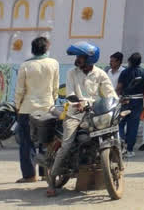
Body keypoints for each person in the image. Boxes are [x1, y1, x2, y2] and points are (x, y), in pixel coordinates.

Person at [48, 42, 116, 197]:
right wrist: (76, 102)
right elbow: (71, 92)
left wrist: (117, 103)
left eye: (81, 57)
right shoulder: (72, 72)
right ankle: (52, 179)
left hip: (94, 112)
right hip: (75, 112)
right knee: (67, 144)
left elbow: (110, 93)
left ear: (90, 59)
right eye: (78, 56)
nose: (78, 59)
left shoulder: (100, 74)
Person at [13, 37, 59, 183]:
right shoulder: (54, 63)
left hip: (27, 108)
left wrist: (17, 105)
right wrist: (53, 100)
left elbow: (20, 90)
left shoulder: (25, 65)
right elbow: (55, 87)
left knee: (27, 143)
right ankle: (45, 173)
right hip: (47, 107)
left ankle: (29, 175)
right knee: (47, 142)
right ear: (46, 48)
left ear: (33, 49)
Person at [116, 53, 144, 158]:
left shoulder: (124, 72)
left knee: (120, 123)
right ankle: (129, 149)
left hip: (125, 100)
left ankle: (121, 145)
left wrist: (116, 99)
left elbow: (119, 87)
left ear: (129, 61)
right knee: (133, 126)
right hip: (138, 101)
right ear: (140, 62)